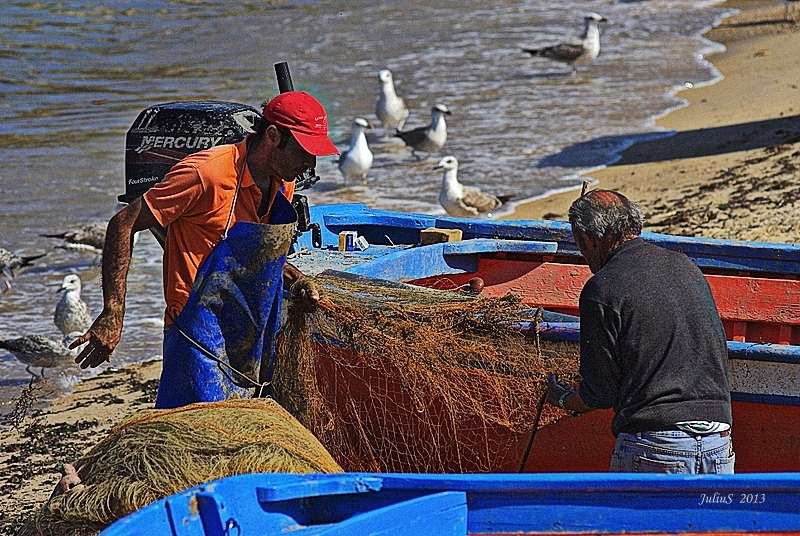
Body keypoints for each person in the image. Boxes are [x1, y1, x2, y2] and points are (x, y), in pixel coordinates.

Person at [72, 91, 338, 408]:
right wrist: (113, 314)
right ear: (272, 136)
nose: (311, 163)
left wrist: (297, 280)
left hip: (248, 320)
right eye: (305, 151)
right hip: (196, 331)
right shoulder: (206, 174)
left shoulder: (283, 179)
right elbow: (122, 224)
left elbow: (256, 254)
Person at [546, 189, 735, 474]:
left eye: (579, 244)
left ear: (588, 239)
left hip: (655, 446)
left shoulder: (602, 289)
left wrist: (563, 398)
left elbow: (601, 392)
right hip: (719, 443)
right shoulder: (686, 267)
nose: (583, 254)